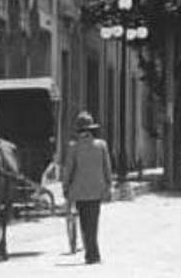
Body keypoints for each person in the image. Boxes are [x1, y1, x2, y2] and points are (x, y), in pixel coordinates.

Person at [59, 111, 113, 265]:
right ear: (91, 129)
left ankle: (91, 253)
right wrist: (109, 185)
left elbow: (68, 169)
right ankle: (93, 253)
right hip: (97, 190)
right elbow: (107, 167)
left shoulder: (73, 147)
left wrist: (66, 187)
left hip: (80, 191)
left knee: (84, 223)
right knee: (94, 222)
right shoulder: (102, 145)